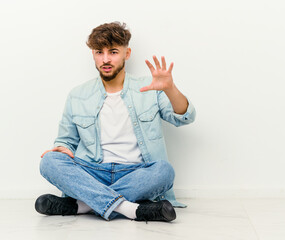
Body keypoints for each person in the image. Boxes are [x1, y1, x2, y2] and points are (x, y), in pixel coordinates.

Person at [35, 22, 196, 222]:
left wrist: (170, 88)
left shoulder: (149, 88)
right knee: (49, 161)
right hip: (93, 172)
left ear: (127, 54)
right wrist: (62, 148)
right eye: (99, 53)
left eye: (112, 52)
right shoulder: (77, 95)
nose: (105, 59)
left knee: (164, 171)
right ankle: (131, 209)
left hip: (136, 172)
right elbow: (65, 141)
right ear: (92, 55)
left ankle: (83, 205)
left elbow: (185, 117)